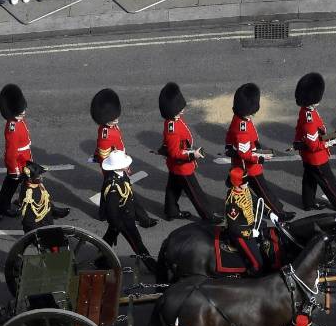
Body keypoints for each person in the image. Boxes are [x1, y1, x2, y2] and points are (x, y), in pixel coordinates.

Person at [90, 88, 157, 227]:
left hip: (117, 162)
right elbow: (104, 155)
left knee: (106, 189)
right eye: (113, 118)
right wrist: (123, 166)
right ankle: (144, 219)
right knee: (129, 194)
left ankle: (103, 214)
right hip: (115, 166)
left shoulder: (109, 127)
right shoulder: (106, 134)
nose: (116, 119)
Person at [226, 83, 293, 220]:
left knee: (254, 191)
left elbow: (230, 139)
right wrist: (261, 158)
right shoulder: (242, 127)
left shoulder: (239, 118)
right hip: (250, 168)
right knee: (264, 192)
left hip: (245, 165)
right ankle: (278, 213)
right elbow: (245, 154)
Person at [293, 73, 336, 212]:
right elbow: (314, 145)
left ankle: (308, 203)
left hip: (308, 156)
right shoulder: (309, 118)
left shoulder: (305, 111)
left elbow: (301, 131)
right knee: (328, 181)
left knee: (310, 179)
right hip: (316, 157)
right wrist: (330, 142)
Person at [158, 82, 218, 222]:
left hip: (176, 166)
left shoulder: (174, 120)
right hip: (182, 166)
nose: (182, 109)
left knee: (173, 188)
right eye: (179, 108)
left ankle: (171, 211)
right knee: (196, 194)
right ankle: (208, 216)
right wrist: (193, 154)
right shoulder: (172, 126)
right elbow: (174, 153)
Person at [101, 150, 157, 271]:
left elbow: (129, 196)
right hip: (123, 219)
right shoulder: (113, 186)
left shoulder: (122, 175)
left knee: (109, 238)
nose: (128, 165)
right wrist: (118, 224)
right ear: (119, 166)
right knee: (137, 243)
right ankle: (152, 266)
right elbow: (111, 210)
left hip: (126, 214)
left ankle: (101, 260)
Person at [0, 84, 34, 217]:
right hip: (18, 163)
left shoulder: (19, 121)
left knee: (25, 183)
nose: (23, 112)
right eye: (20, 111)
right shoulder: (13, 127)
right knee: (12, 185)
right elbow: (11, 152)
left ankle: (18, 202)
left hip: (24, 159)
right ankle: (3, 207)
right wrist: (14, 170)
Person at [223, 168, 270, 273]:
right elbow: (233, 228)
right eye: (245, 181)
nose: (247, 183)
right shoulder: (232, 202)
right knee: (258, 264)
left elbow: (255, 201)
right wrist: (250, 233)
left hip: (251, 223)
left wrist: (270, 213)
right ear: (237, 183)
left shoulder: (245, 189)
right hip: (241, 233)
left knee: (268, 231)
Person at [19, 162, 68, 233]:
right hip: (37, 222)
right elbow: (29, 219)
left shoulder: (38, 185)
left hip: (45, 215)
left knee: (46, 203)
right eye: (38, 175)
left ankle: (53, 210)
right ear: (30, 179)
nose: (41, 177)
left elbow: (45, 199)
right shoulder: (29, 195)